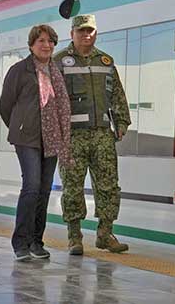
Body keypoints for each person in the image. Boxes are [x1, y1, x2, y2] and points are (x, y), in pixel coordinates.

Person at [54, 14, 131, 255]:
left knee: (109, 185)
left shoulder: (106, 61)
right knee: (73, 187)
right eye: (81, 31)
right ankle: (74, 237)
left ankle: (105, 234)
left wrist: (121, 121)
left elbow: (117, 93)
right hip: (72, 137)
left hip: (102, 135)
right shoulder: (59, 62)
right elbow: (51, 99)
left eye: (90, 31)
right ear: (72, 34)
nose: (86, 35)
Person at [0, 24, 72, 261]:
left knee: (43, 190)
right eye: (41, 40)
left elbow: (62, 107)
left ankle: (36, 242)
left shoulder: (56, 72)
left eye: (50, 41)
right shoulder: (19, 70)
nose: (46, 45)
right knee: (31, 187)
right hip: (27, 138)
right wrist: (20, 127)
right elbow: (6, 105)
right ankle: (20, 242)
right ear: (31, 44)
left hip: (51, 139)